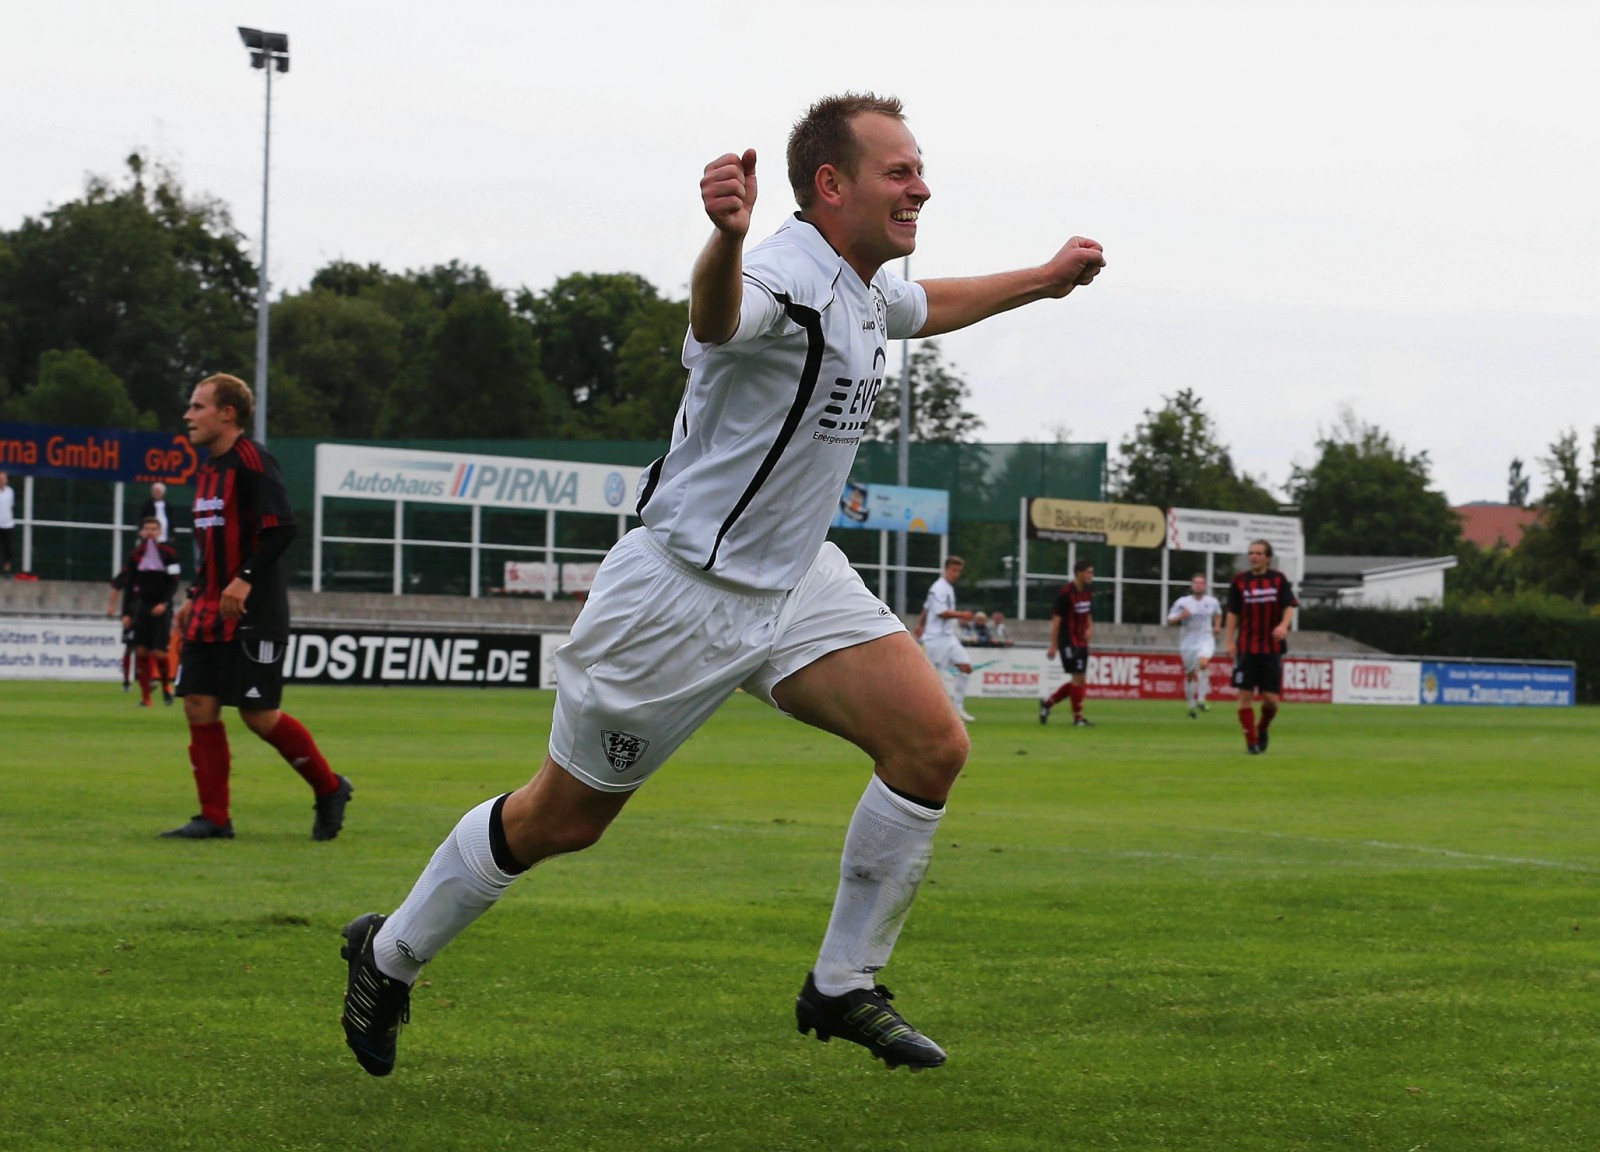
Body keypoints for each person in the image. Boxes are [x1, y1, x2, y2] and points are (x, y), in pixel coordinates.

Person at [337, 92, 1105, 1078]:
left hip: (793, 583)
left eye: (918, 167)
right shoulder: (779, 274)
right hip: (678, 597)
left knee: (930, 746)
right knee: (561, 819)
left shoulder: (864, 286)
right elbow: (717, 315)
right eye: (898, 170)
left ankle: (840, 984)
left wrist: (1043, 280)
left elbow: (928, 304)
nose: (920, 185)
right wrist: (722, 238)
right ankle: (388, 953)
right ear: (833, 186)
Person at [164, 373, 352, 841]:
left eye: (198, 406)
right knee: (198, 704)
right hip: (209, 608)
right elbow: (208, 546)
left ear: (227, 413)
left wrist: (244, 580)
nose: (188, 415)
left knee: (258, 715)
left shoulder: (252, 460)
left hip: (254, 612)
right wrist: (192, 597)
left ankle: (330, 788)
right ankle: (214, 818)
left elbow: (282, 528)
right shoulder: (207, 468)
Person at [1222, 540, 1298, 754]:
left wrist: (1283, 626)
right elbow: (1233, 613)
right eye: (1251, 553)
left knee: (1271, 701)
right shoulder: (1239, 581)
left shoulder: (1278, 579)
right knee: (1244, 696)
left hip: (1271, 649)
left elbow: (1289, 606)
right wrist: (1229, 640)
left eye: (1258, 553)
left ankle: (1262, 727)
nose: (1253, 557)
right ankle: (1251, 743)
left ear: (1267, 557)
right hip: (1246, 648)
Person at [110, 517, 181, 706]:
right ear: (142, 532)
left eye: (154, 529)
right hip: (142, 607)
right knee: (141, 651)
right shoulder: (136, 555)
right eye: (147, 529)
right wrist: (126, 613)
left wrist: (165, 603)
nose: (150, 532)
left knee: (159, 653)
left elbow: (174, 582)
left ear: (159, 532)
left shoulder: (168, 554)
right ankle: (146, 697)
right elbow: (129, 584)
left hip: (161, 608)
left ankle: (166, 687)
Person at [915, 555, 977, 722]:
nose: (956, 574)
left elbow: (926, 608)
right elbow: (940, 612)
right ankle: (922, 710)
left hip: (948, 637)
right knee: (931, 678)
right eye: (954, 570)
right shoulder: (939, 588)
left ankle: (958, 708)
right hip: (935, 639)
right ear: (946, 569)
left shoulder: (947, 588)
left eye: (959, 571)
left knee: (966, 667)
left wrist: (920, 625)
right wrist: (962, 614)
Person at [1041, 560, 1095, 726]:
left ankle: (1048, 703)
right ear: (1079, 573)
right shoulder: (1066, 593)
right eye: (1088, 572)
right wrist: (1053, 645)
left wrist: (1089, 628)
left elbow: (1088, 613)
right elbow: (1057, 620)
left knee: (1079, 679)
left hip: (1081, 640)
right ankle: (1078, 718)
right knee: (1077, 678)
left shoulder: (1087, 591)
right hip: (1068, 641)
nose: (1091, 576)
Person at [1166, 573, 1223, 718]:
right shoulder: (1183, 602)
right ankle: (1191, 703)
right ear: (1192, 585)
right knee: (1190, 674)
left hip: (1206, 639)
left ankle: (1201, 699)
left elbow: (1218, 613)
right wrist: (1181, 616)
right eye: (1196, 583)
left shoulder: (1212, 601)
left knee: (1203, 664)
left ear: (1205, 586)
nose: (1198, 585)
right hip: (1188, 642)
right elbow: (1170, 620)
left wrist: (1217, 626)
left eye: (1201, 583)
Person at [0, 471, 15, 576]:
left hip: (8, 525)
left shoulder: (10, 492)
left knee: (9, 549)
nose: (2, 480)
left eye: (3, 478)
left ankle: (7, 571)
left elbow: (10, 505)